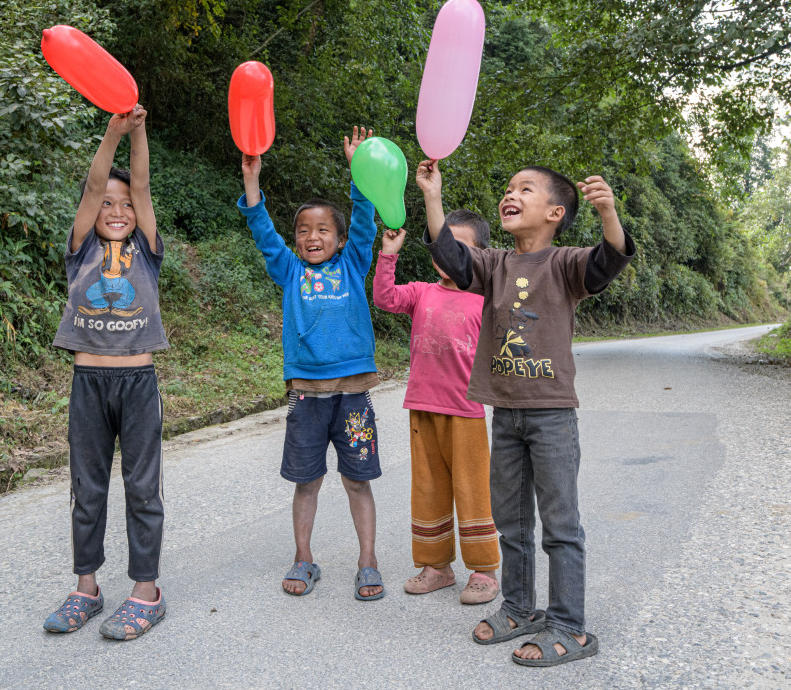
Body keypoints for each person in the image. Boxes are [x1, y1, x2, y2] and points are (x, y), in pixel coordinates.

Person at [417, 159, 635, 667]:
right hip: (506, 414)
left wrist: (608, 213)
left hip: (553, 414)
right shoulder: (493, 264)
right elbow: (451, 257)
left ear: (556, 212)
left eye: (526, 189)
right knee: (511, 523)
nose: (510, 194)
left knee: (560, 525)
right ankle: (519, 607)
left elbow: (608, 262)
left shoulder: (566, 264)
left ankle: (569, 625)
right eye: (509, 187)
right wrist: (433, 197)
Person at [239, 126, 385, 601]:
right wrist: (252, 185)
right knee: (307, 482)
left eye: (323, 230)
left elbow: (365, 219)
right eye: (304, 230)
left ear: (340, 240)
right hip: (307, 396)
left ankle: (368, 562)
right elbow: (263, 232)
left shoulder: (354, 262)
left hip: (353, 396)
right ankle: (304, 558)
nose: (312, 236)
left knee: (357, 481)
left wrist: (358, 172)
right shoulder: (291, 271)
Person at [43, 105, 170, 641]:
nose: (116, 209)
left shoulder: (144, 249)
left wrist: (139, 131)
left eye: (125, 205)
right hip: (87, 384)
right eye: (107, 204)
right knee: (86, 488)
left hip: (137, 384)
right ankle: (86, 588)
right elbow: (98, 185)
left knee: (142, 488)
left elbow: (138, 184)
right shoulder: (80, 251)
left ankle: (146, 592)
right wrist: (112, 134)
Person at [371, 212, 501, 605]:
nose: (448, 255)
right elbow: (385, 298)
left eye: (460, 248)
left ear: (480, 256)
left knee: (473, 490)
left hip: (466, 412)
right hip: (422, 409)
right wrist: (388, 255)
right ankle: (437, 567)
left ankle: (483, 570)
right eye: (442, 244)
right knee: (428, 489)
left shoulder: (485, 301)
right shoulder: (423, 292)